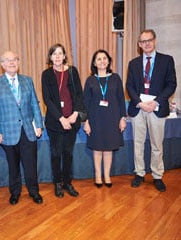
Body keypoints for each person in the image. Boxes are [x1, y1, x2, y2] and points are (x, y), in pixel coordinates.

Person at [0, 51, 43, 205]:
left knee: (30, 164)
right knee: (13, 165)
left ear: (18, 63)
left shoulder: (27, 81)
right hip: (7, 132)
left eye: (14, 60)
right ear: (2, 65)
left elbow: (34, 104)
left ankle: (34, 191)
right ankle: (15, 192)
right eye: (8, 60)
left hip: (28, 130)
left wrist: (39, 124)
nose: (12, 63)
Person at [126, 29, 177, 192]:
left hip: (157, 108)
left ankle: (157, 175)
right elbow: (129, 86)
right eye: (143, 41)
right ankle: (139, 173)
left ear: (155, 41)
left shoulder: (167, 60)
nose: (146, 43)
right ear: (139, 45)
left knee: (157, 145)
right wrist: (140, 103)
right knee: (138, 143)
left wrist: (156, 102)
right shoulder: (133, 63)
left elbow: (171, 84)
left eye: (149, 40)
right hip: (138, 108)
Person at [41, 43, 86, 198]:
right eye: (54, 54)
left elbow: (79, 95)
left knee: (68, 153)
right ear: (50, 57)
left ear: (65, 56)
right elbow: (47, 99)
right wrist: (61, 119)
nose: (58, 57)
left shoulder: (73, 72)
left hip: (72, 120)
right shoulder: (46, 74)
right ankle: (57, 183)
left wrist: (74, 114)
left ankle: (68, 182)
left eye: (60, 53)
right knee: (56, 154)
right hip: (55, 123)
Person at [83, 49, 127, 188]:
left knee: (108, 149)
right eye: (99, 59)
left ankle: (107, 175)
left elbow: (121, 99)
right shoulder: (90, 80)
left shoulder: (115, 78)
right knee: (97, 148)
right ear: (94, 63)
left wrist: (122, 118)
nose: (102, 61)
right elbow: (86, 102)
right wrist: (86, 121)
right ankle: (97, 175)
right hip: (95, 119)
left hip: (112, 118)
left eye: (104, 58)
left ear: (108, 61)